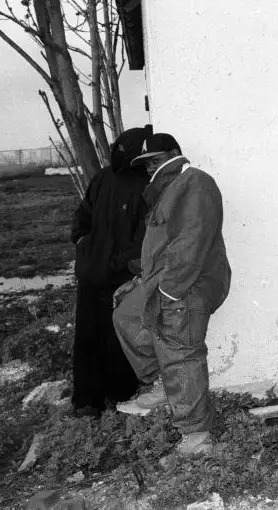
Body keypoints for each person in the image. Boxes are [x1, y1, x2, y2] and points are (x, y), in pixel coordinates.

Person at [112, 132, 231, 458]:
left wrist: (168, 292)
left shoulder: (195, 183)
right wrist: (144, 281)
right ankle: (162, 382)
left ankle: (196, 439)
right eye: (147, 163)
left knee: (181, 352)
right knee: (127, 316)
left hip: (189, 284)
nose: (151, 167)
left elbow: (190, 242)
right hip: (164, 281)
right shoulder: (167, 189)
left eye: (156, 160)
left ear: (175, 154)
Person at [69, 126, 152, 417]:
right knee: (93, 336)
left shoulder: (146, 182)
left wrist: (120, 264)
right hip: (97, 274)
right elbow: (82, 219)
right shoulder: (104, 178)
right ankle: (90, 402)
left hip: (115, 276)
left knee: (116, 336)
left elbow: (144, 236)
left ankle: (114, 397)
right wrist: (85, 245)